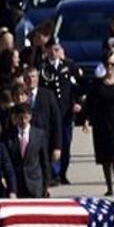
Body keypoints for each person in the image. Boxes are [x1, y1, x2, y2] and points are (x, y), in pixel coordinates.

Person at [80, 54, 114, 195]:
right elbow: (89, 103)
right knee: (104, 155)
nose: (110, 67)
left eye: (113, 64)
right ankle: (109, 186)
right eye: (107, 64)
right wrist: (85, 120)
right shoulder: (97, 84)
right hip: (100, 122)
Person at [40, 42, 81, 184]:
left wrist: (77, 102)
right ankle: (53, 173)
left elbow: (78, 86)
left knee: (65, 142)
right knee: (51, 142)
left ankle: (63, 172)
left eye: (56, 50)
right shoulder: (42, 68)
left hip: (65, 112)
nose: (53, 53)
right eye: (50, 50)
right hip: (49, 113)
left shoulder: (68, 66)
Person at [23, 65, 63, 176]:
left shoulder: (48, 95)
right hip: (27, 141)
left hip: (45, 141)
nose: (31, 80)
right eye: (28, 77)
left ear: (38, 78)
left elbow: (56, 121)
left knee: (45, 170)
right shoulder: (21, 96)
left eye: (33, 77)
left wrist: (57, 146)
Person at [7, 104, 51, 198]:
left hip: (35, 183)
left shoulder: (39, 134)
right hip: (17, 184)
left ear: (30, 116)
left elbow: (44, 160)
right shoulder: (8, 136)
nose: (23, 121)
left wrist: (46, 184)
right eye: (20, 118)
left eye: (26, 118)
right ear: (16, 118)